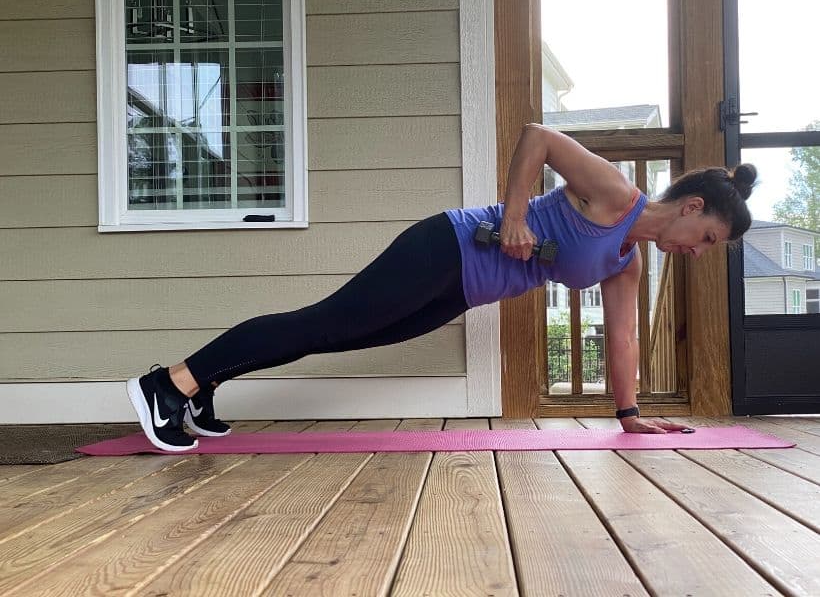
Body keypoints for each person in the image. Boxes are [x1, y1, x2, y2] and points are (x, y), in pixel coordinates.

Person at [126, 124, 756, 451]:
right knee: (324, 322)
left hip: (460, 289)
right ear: (692, 206)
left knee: (335, 337)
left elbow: (623, 339)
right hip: (445, 248)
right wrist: (512, 217)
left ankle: (202, 385)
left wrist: (630, 416)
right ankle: (167, 385)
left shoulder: (626, 263)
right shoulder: (616, 193)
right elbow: (537, 137)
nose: (697, 253)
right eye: (706, 239)